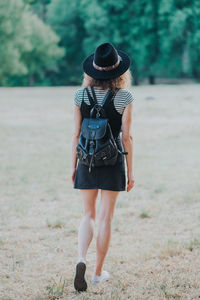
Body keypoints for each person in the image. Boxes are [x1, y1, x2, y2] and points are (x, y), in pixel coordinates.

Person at [71, 42, 135, 292]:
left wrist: (73, 165)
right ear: (119, 71)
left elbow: (75, 134)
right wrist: (131, 171)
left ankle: (80, 258)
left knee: (88, 215)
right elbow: (127, 137)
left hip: (85, 160)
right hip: (112, 161)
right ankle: (97, 273)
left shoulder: (79, 95)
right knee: (106, 217)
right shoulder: (125, 97)